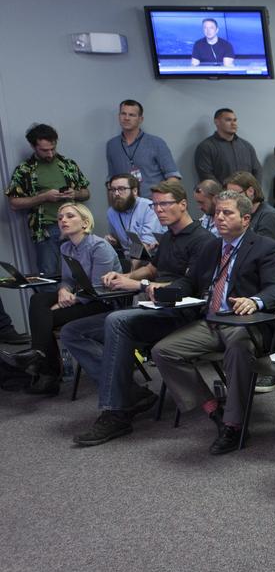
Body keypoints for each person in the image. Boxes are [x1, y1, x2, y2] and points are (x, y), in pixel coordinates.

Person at [61, 180, 219, 445]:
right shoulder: (169, 236)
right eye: (155, 205)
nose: (158, 210)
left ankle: (116, 412)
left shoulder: (203, 241)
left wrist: (138, 285)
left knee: (116, 321)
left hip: (180, 314)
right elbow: (154, 269)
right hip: (151, 309)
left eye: (165, 203)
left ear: (183, 204)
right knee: (72, 332)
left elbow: (188, 288)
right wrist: (125, 275)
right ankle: (131, 393)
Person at [151, 191, 275, 455]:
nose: (219, 218)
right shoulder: (211, 247)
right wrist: (166, 289)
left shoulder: (265, 247)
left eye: (227, 213)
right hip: (212, 321)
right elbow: (190, 282)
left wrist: (255, 300)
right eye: (217, 213)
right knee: (163, 351)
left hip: (247, 323)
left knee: (237, 348)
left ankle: (234, 426)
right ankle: (213, 408)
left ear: (246, 219)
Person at [2, 203, 120, 395]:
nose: (63, 220)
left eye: (70, 216)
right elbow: (66, 280)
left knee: (45, 317)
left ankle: (47, 372)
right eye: (60, 217)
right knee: (38, 301)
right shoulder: (66, 247)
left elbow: (99, 288)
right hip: (78, 298)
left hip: (102, 302)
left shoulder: (99, 247)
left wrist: (67, 302)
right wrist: (63, 291)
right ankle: (39, 356)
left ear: (85, 222)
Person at [6, 123, 91, 278]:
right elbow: (14, 203)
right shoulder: (24, 170)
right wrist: (43, 197)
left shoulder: (67, 164)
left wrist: (75, 194)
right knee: (48, 275)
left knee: (82, 271)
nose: (50, 154)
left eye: (53, 148)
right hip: (45, 230)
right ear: (33, 146)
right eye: (45, 150)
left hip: (75, 227)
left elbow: (86, 193)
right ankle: (52, 302)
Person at [106, 99, 181, 195]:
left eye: (132, 115)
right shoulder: (112, 145)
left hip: (153, 204)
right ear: (119, 116)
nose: (127, 118)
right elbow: (111, 180)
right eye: (123, 114)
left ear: (140, 119)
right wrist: (113, 207)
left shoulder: (156, 143)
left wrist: (161, 201)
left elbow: (173, 178)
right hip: (124, 205)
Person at [104, 173, 164, 259]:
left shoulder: (149, 207)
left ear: (135, 191)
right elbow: (118, 242)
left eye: (121, 189)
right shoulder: (111, 212)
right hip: (127, 258)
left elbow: (147, 245)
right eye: (113, 189)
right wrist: (111, 241)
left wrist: (131, 272)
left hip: (150, 258)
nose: (116, 193)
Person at [194, 108, 259, 185]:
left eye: (235, 120)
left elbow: (257, 170)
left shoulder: (247, 146)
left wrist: (254, 191)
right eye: (228, 120)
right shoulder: (206, 147)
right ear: (217, 122)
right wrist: (225, 194)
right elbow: (206, 175)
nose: (233, 123)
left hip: (247, 195)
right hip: (220, 195)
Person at [225, 172, 275, 242]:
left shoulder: (269, 215)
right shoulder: (241, 213)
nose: (232, 200)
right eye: (229, 195)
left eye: (235, 195)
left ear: (251, 191)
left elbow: (261, 248)